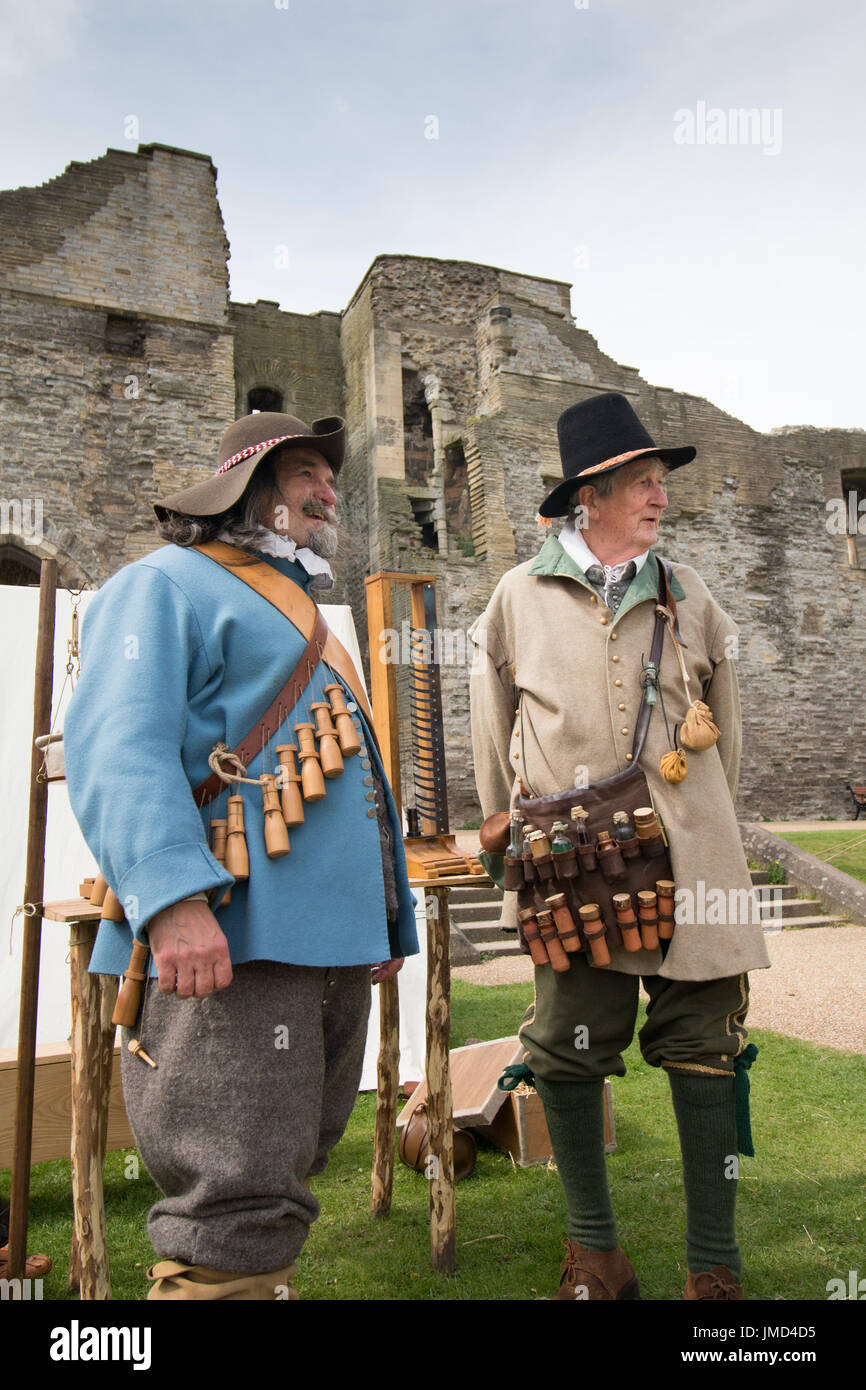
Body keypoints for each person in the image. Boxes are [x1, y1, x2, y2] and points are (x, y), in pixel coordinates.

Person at [64, 410, 419, 1301]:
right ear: (245, 487)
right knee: (230, 1190)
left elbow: (350, 775)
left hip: (322, 945)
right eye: (305, 472)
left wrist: (377, 918)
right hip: (230, 936)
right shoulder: (164, 586)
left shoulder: (297, 603)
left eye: (328, 477)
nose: (327, 490)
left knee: (279, 1176)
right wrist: (175, 902)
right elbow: (117, 749)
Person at [469, 392, 770, 1302]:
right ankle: (596, 1255)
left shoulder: (691, 593)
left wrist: (710, 834)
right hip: (575, 870)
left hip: (695, 866)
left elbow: (733, 734)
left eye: (659, 482)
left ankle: (712, 1269)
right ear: (587, 496)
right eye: (641, 482)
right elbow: (493, 737)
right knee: (567, 1046)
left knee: (707, 1042)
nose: (659, 496)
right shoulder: (516, 597)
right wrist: (511, 854)